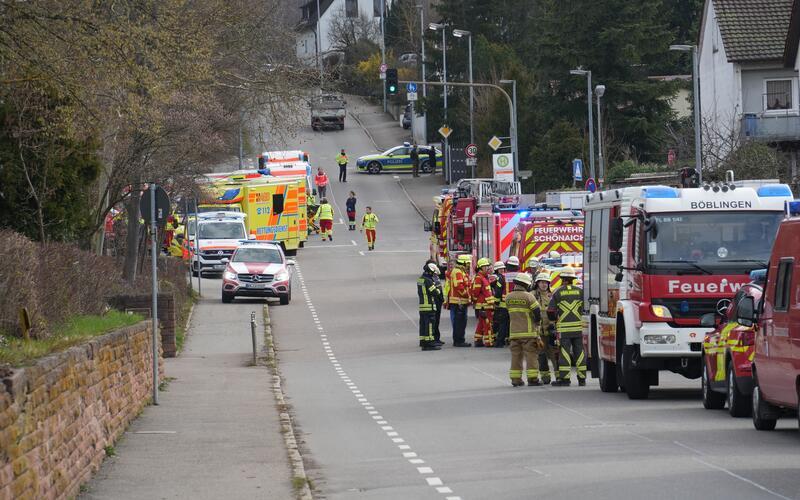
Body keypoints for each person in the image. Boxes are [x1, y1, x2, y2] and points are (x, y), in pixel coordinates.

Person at [548, 267, 585, 386]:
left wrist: (554, 320)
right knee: (580, 352)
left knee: (565, 353)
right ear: (572, 280)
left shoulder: (557, 292)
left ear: (563, 280)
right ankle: (582, 379)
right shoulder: (580, 292)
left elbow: (551, 311)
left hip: (564, 329)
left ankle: (565, 379)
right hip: (578, 328)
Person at [505, 272, 543, 387]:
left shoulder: (508, 297)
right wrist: (537, 324)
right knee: (531, 356)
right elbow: (537, 312)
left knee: (516, 356)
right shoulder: (529, 296)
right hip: (528, 333)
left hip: (514, 333)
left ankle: (516, 380)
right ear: (526, 285)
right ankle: (532, 379)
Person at [533, 272, 559, 385]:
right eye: (541, 282)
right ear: (537, 283)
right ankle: (545, 377)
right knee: (541, 355)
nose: (544, 285)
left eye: (546, 282)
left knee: (555, 355)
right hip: (539, 332)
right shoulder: (532, 295)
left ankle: (559, 376)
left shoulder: (553, 295)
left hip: (551, 330)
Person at [417, 262, 443, 351]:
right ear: (430, 271)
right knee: (430, 325)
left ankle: (423, 341)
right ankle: (429, 343)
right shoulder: (428, 281)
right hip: (429, 306)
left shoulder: (420, 279)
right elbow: (435, 292)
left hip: (422, 306)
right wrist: (439, 288)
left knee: (423, 324)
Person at [472, 258, 496, 347]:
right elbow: (475, 292)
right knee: (487, 324)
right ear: (480, 268)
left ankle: (478, 340)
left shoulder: (484, 277)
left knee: (481, 323)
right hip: (484, 305)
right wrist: (476, 303)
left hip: (487, 305)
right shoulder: (479, 278)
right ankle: (489, 342)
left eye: (487, 266)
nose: (487, 268)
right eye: (485, 267)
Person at [449, 254, 472, 347]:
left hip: (460, 301)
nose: (469, 266)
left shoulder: (460, 271)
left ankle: (460, 340)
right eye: (468, 264)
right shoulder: (458, 272)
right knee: (459, 323)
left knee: (461, 322)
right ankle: (459, 341)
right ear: (464, 263)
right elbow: (459, 286)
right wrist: (468, 295)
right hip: (459, 302)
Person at [427, 259, 445, 346]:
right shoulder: (430, 278)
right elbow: (434, 291)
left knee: (437, 321)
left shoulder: (436, 276)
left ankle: (437, 338)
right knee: (433, 321)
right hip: (434, 302)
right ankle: (434, 338)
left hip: (438, 302)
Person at [491, 261, 509, 348]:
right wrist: (496, 303)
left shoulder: (503, 277)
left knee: (502, 323)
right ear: (496, 270)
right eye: (500, 269)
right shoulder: (497, 278)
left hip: (502, 305)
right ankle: (499, 340)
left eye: (503, 268)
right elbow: (497, 292)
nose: (502, 270)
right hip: (501, 305)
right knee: (501, 324)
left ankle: (501, 340)